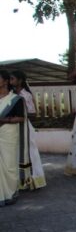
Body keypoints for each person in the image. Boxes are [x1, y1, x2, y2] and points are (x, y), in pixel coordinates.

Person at [10, 70, 46, 190]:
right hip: (13, 127)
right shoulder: (10, 93)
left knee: (30, 152)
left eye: (13, 79)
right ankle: (17, 181)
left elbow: (33, 113)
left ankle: (33, 179)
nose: (11, 81)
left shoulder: (25, 95)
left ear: (20, 81)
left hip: (25, 127)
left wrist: (20, 114)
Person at [0, 70, 26, 206]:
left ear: (5, 81)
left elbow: (21, 118)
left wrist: (4, 120)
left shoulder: (15, 99)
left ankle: (9, 193)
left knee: (9, 164)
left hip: (9, 134)